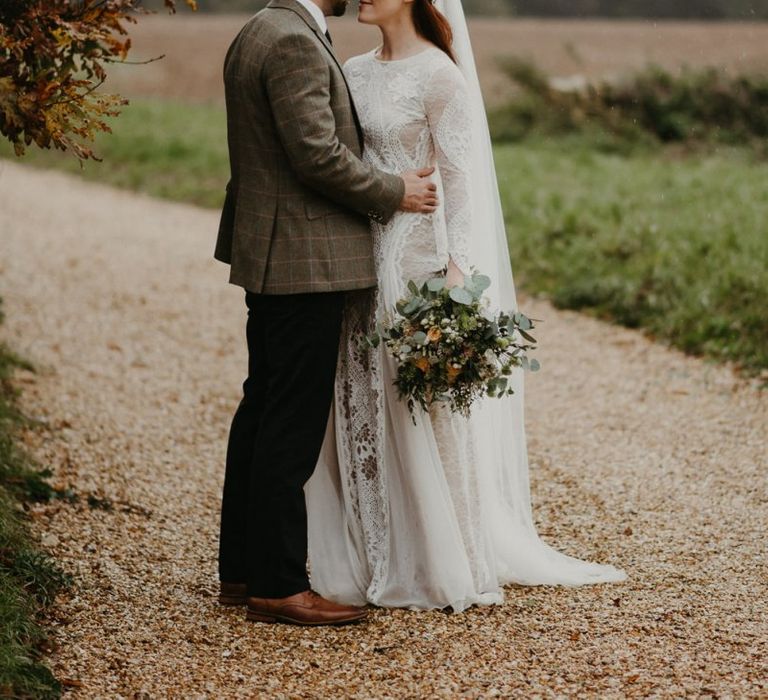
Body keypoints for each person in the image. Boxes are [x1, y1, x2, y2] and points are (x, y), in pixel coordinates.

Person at [305, 0, 628, 611]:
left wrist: (456, 278)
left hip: (416, 263)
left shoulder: (440, 75)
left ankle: (442, 556)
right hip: (357, 261)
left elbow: (462, 184)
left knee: (420, 409)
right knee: (362, 401)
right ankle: (373, 548)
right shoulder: (350, 68)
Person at [214, 0, 439, 626]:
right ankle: (279, 583)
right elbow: (316, 154)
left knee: (262, 407)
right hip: (302, 259)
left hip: (279, 252)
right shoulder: (289, 38)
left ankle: (242, 568)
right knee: (290, 417)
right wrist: (398, 192)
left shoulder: (263, 27)